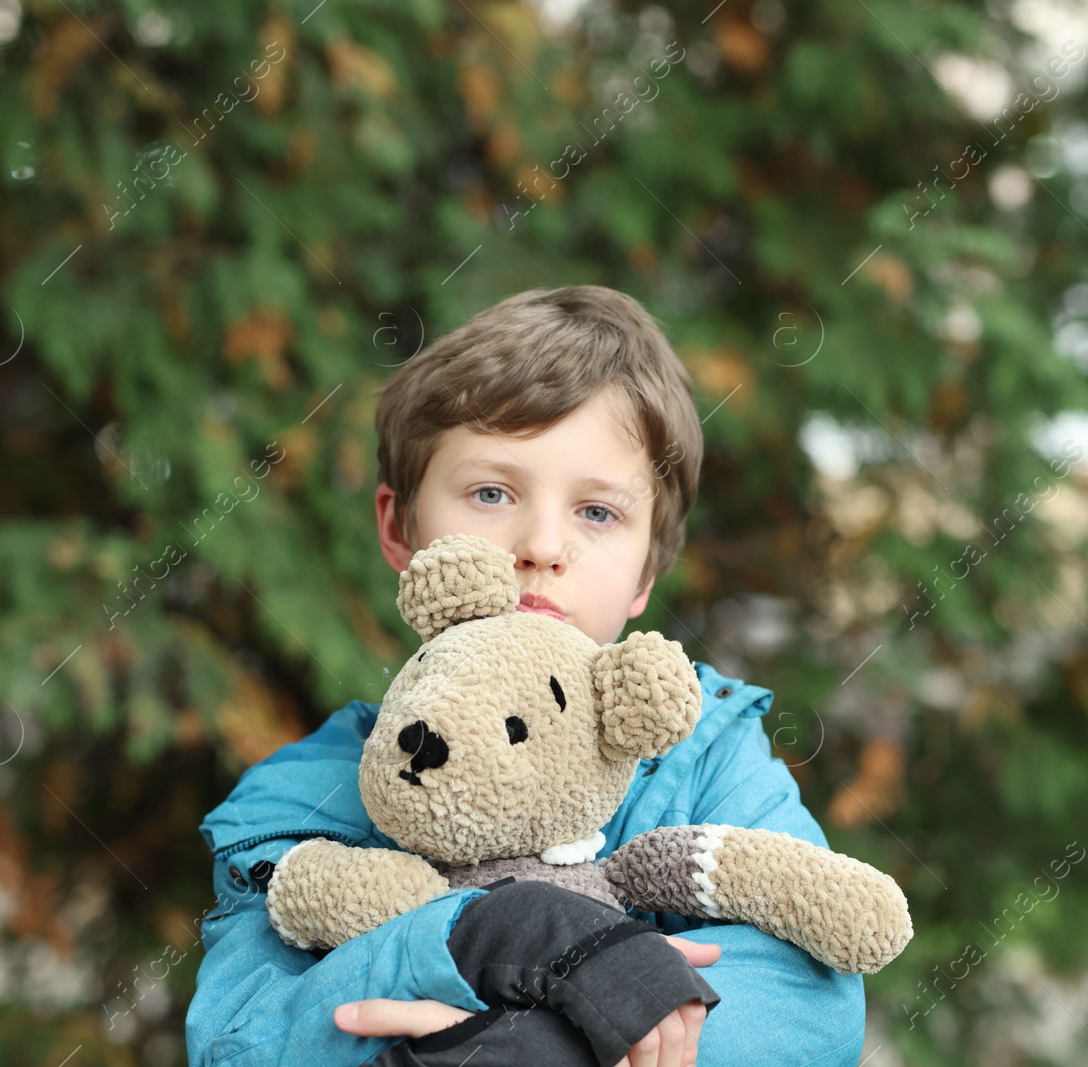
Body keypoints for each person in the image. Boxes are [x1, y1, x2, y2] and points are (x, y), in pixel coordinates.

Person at [185, 286, 868, 1066]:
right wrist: (476, 937)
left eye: (598, 513)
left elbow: (812, 1006)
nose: (542, 543)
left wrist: (554, 1047)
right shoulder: (309, 791)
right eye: (491, 493)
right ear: (400, 530)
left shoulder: (708, 753)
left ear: (646, 572)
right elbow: (239, 1038)